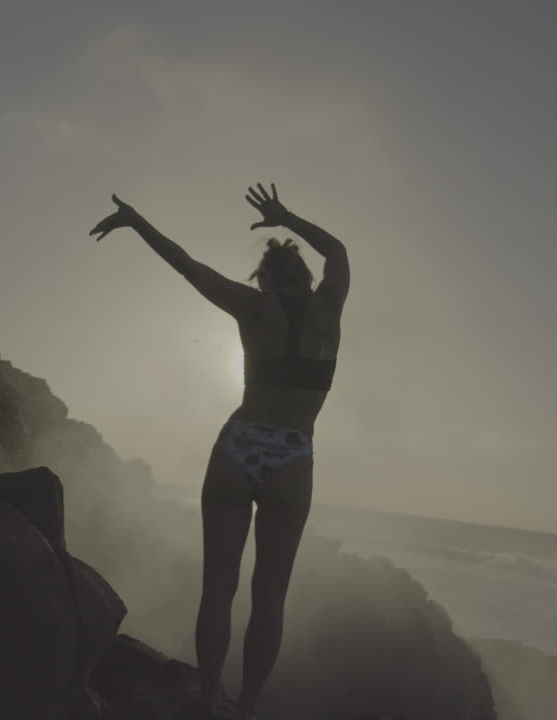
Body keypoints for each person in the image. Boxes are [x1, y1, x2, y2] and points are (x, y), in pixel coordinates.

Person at [89, 183, 349, 719]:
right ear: (305, 278)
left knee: (218, 588)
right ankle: (247, 708)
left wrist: (137, 222)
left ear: (268, 279)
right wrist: (287, 217)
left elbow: (186, 264)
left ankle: (208, 702)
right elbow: (339, 253)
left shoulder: (254, 306)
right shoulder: (330, 310)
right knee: (270, 594)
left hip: (239, 446)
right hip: (294, 457)